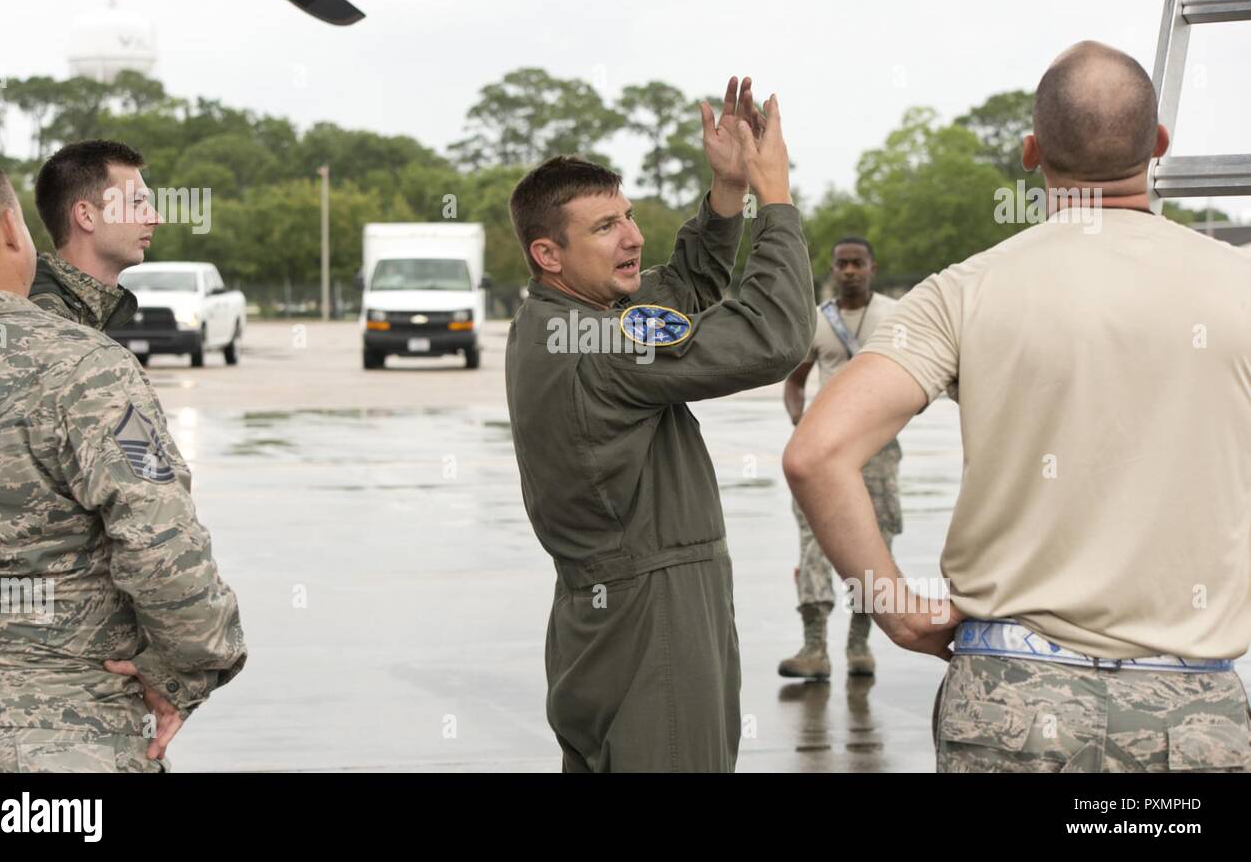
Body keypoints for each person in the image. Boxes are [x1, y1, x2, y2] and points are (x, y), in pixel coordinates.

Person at [784, 41, 1251, 772]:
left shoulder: (964, 290)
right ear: (1160, 144)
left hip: (1012, 701)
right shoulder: (1239, 284)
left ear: (1032, 152)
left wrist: (895, 607)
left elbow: (817, 454)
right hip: (1191, 712)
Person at [505, 78, 815, 771]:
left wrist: (728, 192)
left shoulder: (552, 321)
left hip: (600, 616)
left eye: (629, 216)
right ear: (548, 254)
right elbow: (773, 335)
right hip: (656, 621)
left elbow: (675, 295)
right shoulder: (597, 348)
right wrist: (776, 199)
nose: (633, 236)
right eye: (606, 226)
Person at [0, 148, 246, 772]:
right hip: (54, 736)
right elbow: (164, 544)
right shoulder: (85, 368)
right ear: (10, 229)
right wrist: (184, 672)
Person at [778, 237, 902, 680]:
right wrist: (801, 422)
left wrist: (894, 417)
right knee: (814, 541)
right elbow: (795, 383)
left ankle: (858, 644)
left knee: (876, 540)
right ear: (832, 269)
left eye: (857, 263)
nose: (849, 271)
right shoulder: (817, 321)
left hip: (878, 451)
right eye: (841, 264)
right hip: (824, 448)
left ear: (872, 266)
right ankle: (814, 648)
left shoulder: (894, 317)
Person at [29, 139, 161, 331]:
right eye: (136, 202)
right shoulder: (47, 322)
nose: (155, 218)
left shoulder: (80, 311)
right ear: (86, 215)